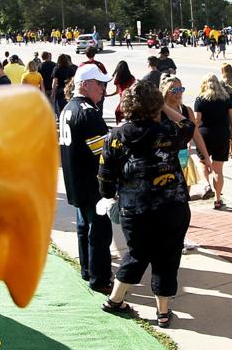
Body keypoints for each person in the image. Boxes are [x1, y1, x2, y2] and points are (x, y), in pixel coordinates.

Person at [98, 79, 195, 328]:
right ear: (156, 106)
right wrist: (164, 106)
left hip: (135, 209)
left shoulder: (114, 137)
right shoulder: (169, 132)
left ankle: (115, 300)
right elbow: (188, 125)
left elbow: (105, 180)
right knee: (168, 256)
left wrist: (113, 194)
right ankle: (163, 313)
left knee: (137, 254)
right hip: (172, 206)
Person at [58, 64, 114, 294]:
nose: (103, 89)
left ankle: (87, 270)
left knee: (84, 227)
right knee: (99, 232)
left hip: (75, 180)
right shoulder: (88, 112)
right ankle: (100, 279)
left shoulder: (68, 108)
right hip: (92, 183)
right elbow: (103, 152)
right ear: (85, 84)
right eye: (99, 84)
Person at [194, 74, 232, 210]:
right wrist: (231, 135)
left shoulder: (200, 100)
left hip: (204, 134)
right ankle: (218, 199)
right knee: (218, 170)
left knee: (202, 162)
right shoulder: (226, 99)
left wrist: (192, 136)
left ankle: (206, 185)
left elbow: (196, 120)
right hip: (222, 134)